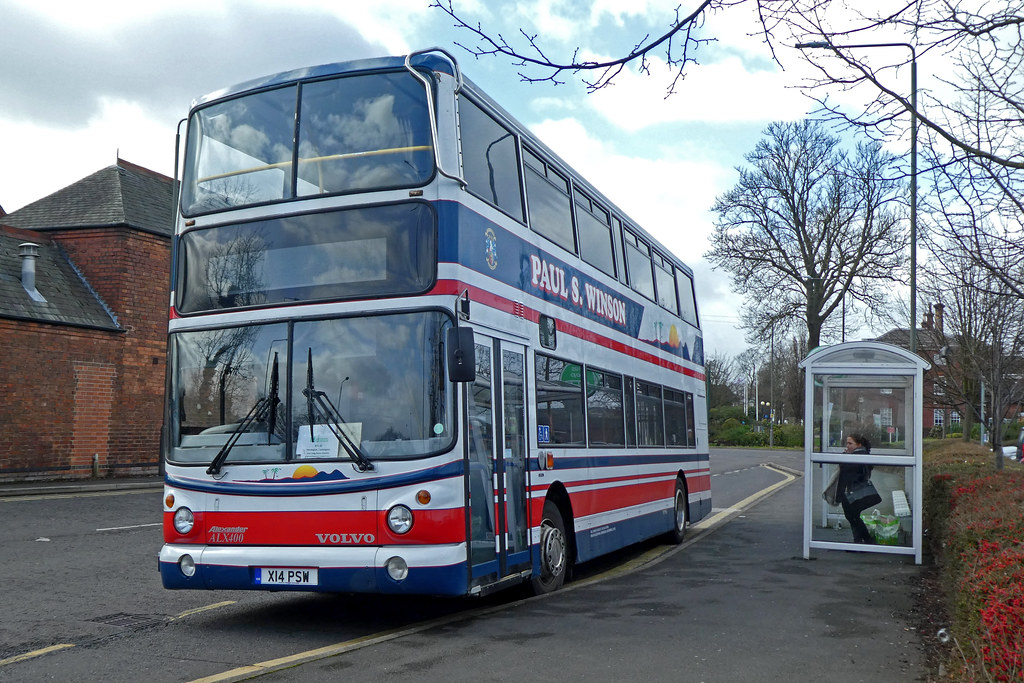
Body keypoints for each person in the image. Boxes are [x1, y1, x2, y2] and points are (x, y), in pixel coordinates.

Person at [837, 433, 874, 543]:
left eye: (850, 443)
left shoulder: (859, 455)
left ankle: (866, 540)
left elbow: (846, 468)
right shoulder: (858, 454)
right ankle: (859, 541)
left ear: (858, 444)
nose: (847, 446)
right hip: (853, 490)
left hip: (853, 490)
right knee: (853, 517)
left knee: (853, 517)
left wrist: (844, 456)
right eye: (847, 443)